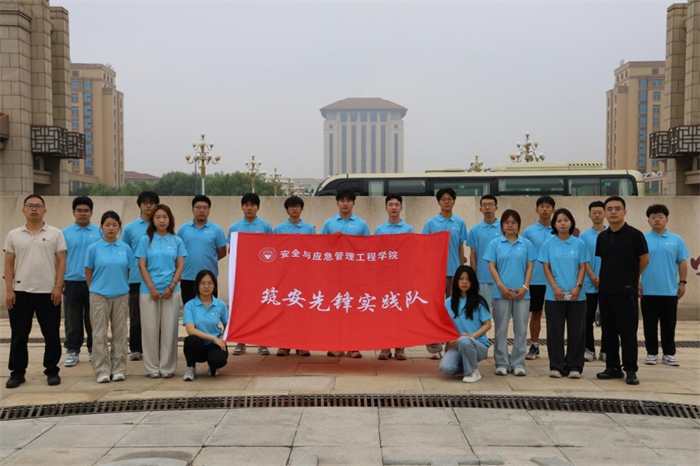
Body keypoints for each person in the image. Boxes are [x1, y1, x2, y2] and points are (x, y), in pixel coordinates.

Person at [4, 195, 66, 388]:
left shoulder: (55, 234)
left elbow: (61, 261)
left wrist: (58, 286)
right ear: (23, 210)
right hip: (20, 291)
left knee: (51, 333)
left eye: (38, 206)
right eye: (30, 206)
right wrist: (9, 290)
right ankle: (17, 372)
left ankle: (52, 371)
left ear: (44, 210)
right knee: (19, 334)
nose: (34, 209)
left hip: (48, 292)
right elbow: (9, 263)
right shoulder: (14, 235)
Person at [595, 196, 649, 386]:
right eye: (609, 209)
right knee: (609, 331)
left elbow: (645, 259)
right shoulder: (602, 237)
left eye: (617, 209)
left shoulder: (635, 235)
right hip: (606, 290)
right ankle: (613, 367)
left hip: (626, 291)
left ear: (625, 212)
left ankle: (631, 369)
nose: (613, 212)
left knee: (628, 333)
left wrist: (632, 278)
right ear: (605, 213)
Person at [135, 204, 187, 378]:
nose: (161, 220)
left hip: (171, 291)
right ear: (152, 220)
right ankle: (152, 368)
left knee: (169, 330)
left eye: (165, 217)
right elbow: (142, 265)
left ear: (170, 219)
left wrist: (171, 286)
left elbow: (180, 266)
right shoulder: (145, 240)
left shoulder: (177, 240)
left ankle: (167, 367)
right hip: (148, 291)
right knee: (149, 330)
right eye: (157, 217)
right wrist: (151, 288)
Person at [485, 209, 536, 377]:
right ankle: (501, 363)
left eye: (513, 222)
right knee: (501, 329)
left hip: (522, 294)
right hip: (501, 293)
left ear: (519, 225)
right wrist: (500, 286)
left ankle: (518, 363)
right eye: (506, 222)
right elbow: (492, 266)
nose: (510, 225)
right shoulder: (495, 244)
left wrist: (525, 287)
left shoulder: (526, 244)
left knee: (521, 329)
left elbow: (530, 266)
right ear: (502, 225)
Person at [539, 208, 588, 379]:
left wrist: (578, 287)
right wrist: (554, 288)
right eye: (559, 221)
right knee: (554, 332)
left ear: (571, 223)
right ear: (554, 224)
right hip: (554, 295)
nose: (562, 223)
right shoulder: (548, 244)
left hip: (577, 295)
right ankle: (557, 366)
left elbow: (583, 267)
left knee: (577, 331)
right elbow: (546, 267)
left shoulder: (579, 244)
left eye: (566, 220)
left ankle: (575, 366)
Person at [321, 189, 370, 358]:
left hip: (354, 275)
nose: (345, 203)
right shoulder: (329, 224)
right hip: (333, 274)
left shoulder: (361, 224)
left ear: (354, 203)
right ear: (337, 203)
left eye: (349, 200)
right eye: (342, 200)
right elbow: (321, 247)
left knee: (353, 310)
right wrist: (331, 240)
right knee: (335, 309)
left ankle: (353, 346)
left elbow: (367, 248)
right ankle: (336, 345)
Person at [85, 211, 132, 383]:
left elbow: (128, 270)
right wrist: (95, 288)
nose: (111, 228)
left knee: (120, 333)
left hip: (121, 294)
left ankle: (119, 369)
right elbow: (88, 271)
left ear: (119, 227)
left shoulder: (125, 248)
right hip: (99, 295)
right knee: (99, 334)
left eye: (114, 225)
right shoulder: (93, 248)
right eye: (107, 225)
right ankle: (102, 370)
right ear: (101, 227)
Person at [422, 187, 468, 359]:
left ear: (454, 201)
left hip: (454, 273)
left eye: (450, 199)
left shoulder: (460, 223)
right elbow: (424, 247)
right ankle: (434, 347)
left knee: (453, 310)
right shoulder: (431, 223)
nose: (447, 202)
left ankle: (451, 344)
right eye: (443, 199)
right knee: (434, 310)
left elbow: (460, 247)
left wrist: (461, 270)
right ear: (438, 202)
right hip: (435, 274)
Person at [640, 204, 689, 367]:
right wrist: (636, 282)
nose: (657, 220)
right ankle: (651, 353)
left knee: (669, 324)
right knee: (649, 324)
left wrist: (682, 282)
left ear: (667, 219)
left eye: (660, 217)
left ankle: (669, 354)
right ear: (648, 221)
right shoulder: (642, 239)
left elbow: (682, 262)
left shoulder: (676, 240)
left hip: (669, 290)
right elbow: (635, 262)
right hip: (648, 290)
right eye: (653, 217)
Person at [228, 193, 273, 356]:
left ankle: (262, 342)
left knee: (262, 307)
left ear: (258, 207)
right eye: (246, 205)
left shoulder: (266, 227)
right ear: (242, 207)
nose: (249, 208)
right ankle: (241, 341)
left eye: (253, 205)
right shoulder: (234, 228)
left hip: (261, 274)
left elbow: (272, 249)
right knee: (242, 307)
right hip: (242, 275)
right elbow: (231, 251)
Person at [374, 194, 415, 361]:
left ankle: (400, 347)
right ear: (385, 208)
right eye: (390, 204)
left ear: (401, 208)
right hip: (384, 277)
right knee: (384, 312)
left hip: (402, 276)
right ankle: (385, 346)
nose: (393, 207)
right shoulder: (379, 230)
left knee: (400, 312)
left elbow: (412, 253)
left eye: (396, 204)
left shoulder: (409, 230)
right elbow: (375, 252)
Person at [61, 196, 102, 367]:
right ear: (73, 212)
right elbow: (60, 259)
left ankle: (94, 350)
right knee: (72, 320)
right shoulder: (64, 233)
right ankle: (72, 351)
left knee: (94, 319)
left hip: (95, 283)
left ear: (91, 212)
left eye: (86, 210)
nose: (82, 214)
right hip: (71, 282)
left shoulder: (100, 232)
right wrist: (60, 280)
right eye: (79, 210)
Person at [273, 195, 315, 357]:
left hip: (304, 275)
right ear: (287, 210)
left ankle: (302, 344)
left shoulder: (309, 229)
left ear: (301, 209)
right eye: (291, 206)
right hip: (284, 275)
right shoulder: (278, 229)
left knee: (302, 310)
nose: (294, 209)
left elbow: (314, 250)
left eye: (297, 206)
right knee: (284, 310)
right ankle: (284, 344)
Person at [122, 191, 159, 362]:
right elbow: (125, 253)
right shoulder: (130, 228)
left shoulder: (162, 226)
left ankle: (156, 347)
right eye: (145, 202)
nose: (148, 206)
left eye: (152, 202)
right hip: (136, 279)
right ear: (139, 205)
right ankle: (136, 348)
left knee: (157, 317)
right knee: (136, 316)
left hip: (158, 279)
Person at [438, 265, 492, 383]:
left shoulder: (479, 301)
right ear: (456, 281)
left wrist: (472, 336)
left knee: (464, 340)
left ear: (473, 282)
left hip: (478, 345)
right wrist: (449, 339)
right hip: (457, 346)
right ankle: (468, 365)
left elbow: (488, 324)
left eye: (468, 279)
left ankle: (473, 372)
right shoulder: (448, 302)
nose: (464, 282)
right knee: (446, 368)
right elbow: (443, 325)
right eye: (461, 279)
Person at [177, 195, 227, 306]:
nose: (202, 210)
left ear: (209, 210)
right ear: (192, 209)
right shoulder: (183, 229)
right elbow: (178, 251)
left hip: (209, 278)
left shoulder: (217, 230)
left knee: (209, 310)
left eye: (205, 207)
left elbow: (222, 251)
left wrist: (209, 258)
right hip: (187, 277)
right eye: (198, 207)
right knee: (189, 309)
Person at [522, 195, 555, 361]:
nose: (545, 209)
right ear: (536, 210)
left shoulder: (559, 229)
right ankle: (534, 345)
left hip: (555, 281)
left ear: (553, 210)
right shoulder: (529, 231)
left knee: (555, 316)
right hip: (535, 280)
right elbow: (524, 255)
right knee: (535, 314)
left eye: (548, 206)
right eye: (542, 206)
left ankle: (555, 347)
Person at [182, 270, 229, 381]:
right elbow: (190, 330)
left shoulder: (220, 305)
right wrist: (213, 338)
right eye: (202, 283)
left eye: (210, 283)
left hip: (214, 344)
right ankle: (190, 367)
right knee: (190, 340)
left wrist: (222, 338)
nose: (206, 286)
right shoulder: (190, 305)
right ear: (197, 285)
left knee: (219, 360)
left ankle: (213, 366)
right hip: (198, 344)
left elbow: (228, 325)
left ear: (214, 285)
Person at [579, 201, 606, 362]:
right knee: (587, 319)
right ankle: (589, 349)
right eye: (594, 212)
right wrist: (594, 276)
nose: (597, 215)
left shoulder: (611, 234)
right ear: (589, 215)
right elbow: (583, 259)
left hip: (607, 283)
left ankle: (606, 350)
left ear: (604, 214)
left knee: (608, 319)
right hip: (588, 284)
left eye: (600, 212)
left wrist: (602, 276)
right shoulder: (583, 236)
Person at [466, 195, 501, 305]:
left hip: (502, 278)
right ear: (480, 209)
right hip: (482, 278)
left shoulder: (504, 228)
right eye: (484, 205)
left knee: (501, 312)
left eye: (490, 204)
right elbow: (473, 255)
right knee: (483, 309)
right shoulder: (474, 230)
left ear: (496, 208)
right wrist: (473, 278)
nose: (487, 207)